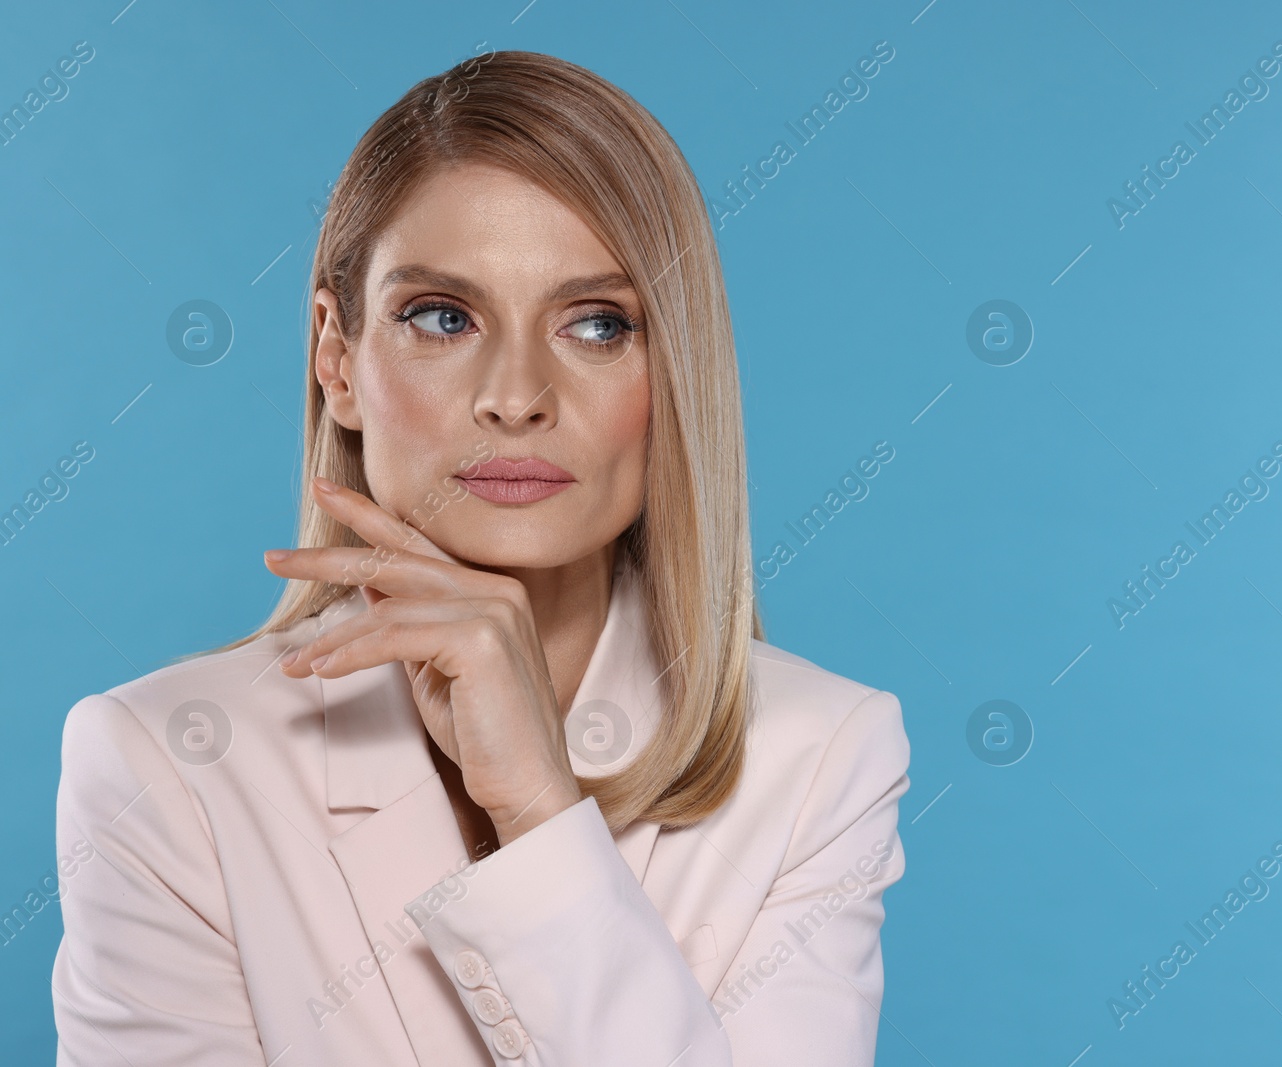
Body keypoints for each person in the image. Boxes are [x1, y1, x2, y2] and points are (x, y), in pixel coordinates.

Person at [51, 49, 911, 1066]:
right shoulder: (163, 762)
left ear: (673, 364)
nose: (516, 394)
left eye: (597, 324)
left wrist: (542, 814)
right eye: (444, 317)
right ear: (337, 357)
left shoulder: (820, 754)